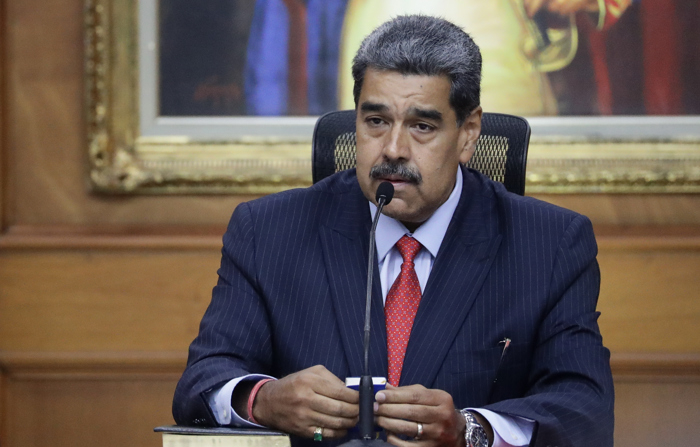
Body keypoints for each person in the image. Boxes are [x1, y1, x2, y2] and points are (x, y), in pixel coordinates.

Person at [173, 15, 614, 447]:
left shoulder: (550, 244)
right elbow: (202, 381)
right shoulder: (268, 231)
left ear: (468, 134)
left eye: (422, 126)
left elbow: (584, 411)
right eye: (376, 121)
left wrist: (470, 431)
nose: (393, 150)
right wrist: (262, 400)